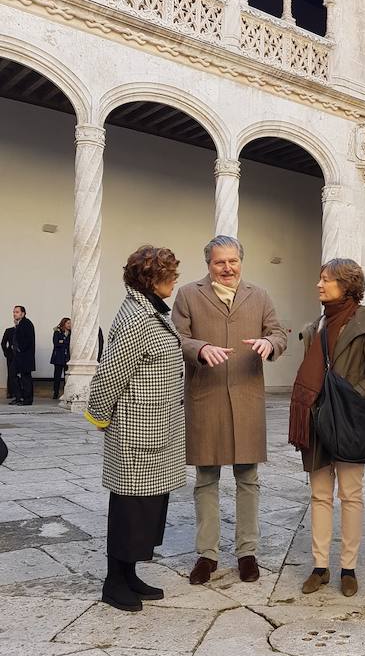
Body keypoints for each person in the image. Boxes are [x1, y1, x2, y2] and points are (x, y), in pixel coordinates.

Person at [172, 235, 287, 585]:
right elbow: (175, 337)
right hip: (205, 397)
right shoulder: (189, 295)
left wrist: (270, 342)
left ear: (241, 261)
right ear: (208, 264)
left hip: (246, 397)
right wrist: (199, 347)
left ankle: (246, 552)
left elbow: (279, 332)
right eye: (220, 262)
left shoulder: (259, 295)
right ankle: (207, 555)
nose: (227, 268)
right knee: (206, 479)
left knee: (248, 478)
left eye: (233, 261)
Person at [85, 245, 185, 612]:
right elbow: (110, 374)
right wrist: (99, 416)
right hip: (135, 431)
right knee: (130, 508)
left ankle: (128, 574)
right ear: (151, 278)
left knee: (146, 507)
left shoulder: (152, 311)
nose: (175, 278)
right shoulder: (135, 319)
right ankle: (114, 582)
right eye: (170, 273)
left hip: (156, 428)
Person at [289, 258, 365, 597]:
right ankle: (320, 566)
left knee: (350, 495)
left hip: (350, 420)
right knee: (319, 495)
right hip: (317, 420)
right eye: (319, 279)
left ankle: (348, 567)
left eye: (327, 280)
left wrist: (351, 399)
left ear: (346, 285)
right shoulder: (317, 326)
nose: (319, 285)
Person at [11, 306, 35, 406]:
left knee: (26, 378)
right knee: (12, 375)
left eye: (17, 312)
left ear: (23, 313)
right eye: (14, 312)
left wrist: (20, 349)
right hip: (18, 356)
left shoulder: (27, 323)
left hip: (25, 356)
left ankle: (27, 400)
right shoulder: (19, 324)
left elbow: (29, 340)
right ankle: (19, 397)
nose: (14, 314)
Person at [50, 317, 71, 399]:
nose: (70, 325)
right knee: (57, 376)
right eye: (68, 323)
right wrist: (64, 342)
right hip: (58, 357)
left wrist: (62, 341)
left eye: (70, 323)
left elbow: (69, 343)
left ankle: (66, 392)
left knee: (67, 376)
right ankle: (56, 392)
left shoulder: (71, 333)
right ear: (64, 323)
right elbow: (56, 343)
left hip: (67, 358)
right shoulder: (57, 332)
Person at [2, 323, 16, 401]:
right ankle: (10, 392)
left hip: (21, 356)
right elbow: (3, 343)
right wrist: (7, 353)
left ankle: (19, 392)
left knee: (21, 374)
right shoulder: (9, 330)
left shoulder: (23, 330)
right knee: (11, 373)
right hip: (11, 356)